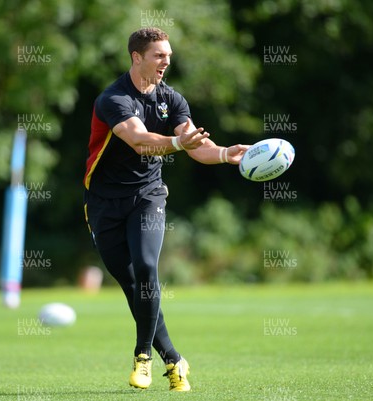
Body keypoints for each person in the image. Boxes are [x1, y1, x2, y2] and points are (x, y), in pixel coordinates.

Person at [83, 27, 249, 391]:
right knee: (131, 285)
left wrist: (224, 154)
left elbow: (194, 145)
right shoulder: (114, 99)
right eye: (159, 55)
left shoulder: (172, 100)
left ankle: (142, 356)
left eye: (168, 56)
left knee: (146, 267)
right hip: (103, 204)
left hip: (148, 196)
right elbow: (141, 141)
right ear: (136, 57)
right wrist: (177, 142)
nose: (166, 62)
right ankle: (174, 360)